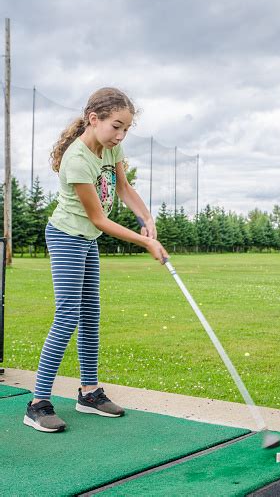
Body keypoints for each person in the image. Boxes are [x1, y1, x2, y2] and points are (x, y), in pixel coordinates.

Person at [23, 87, 169, 433]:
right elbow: (99, 218)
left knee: (91, 314)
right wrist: (144, 243)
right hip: (66, 237)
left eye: (126, 129)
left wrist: (147, 219)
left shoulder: (111, 147)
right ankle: (37, 403)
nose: (120, 135)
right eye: (116, 126)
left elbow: (124, 189)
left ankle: (89, 393)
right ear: (94, 119)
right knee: (67, 315)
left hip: (87, 240)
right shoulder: (77, 159)